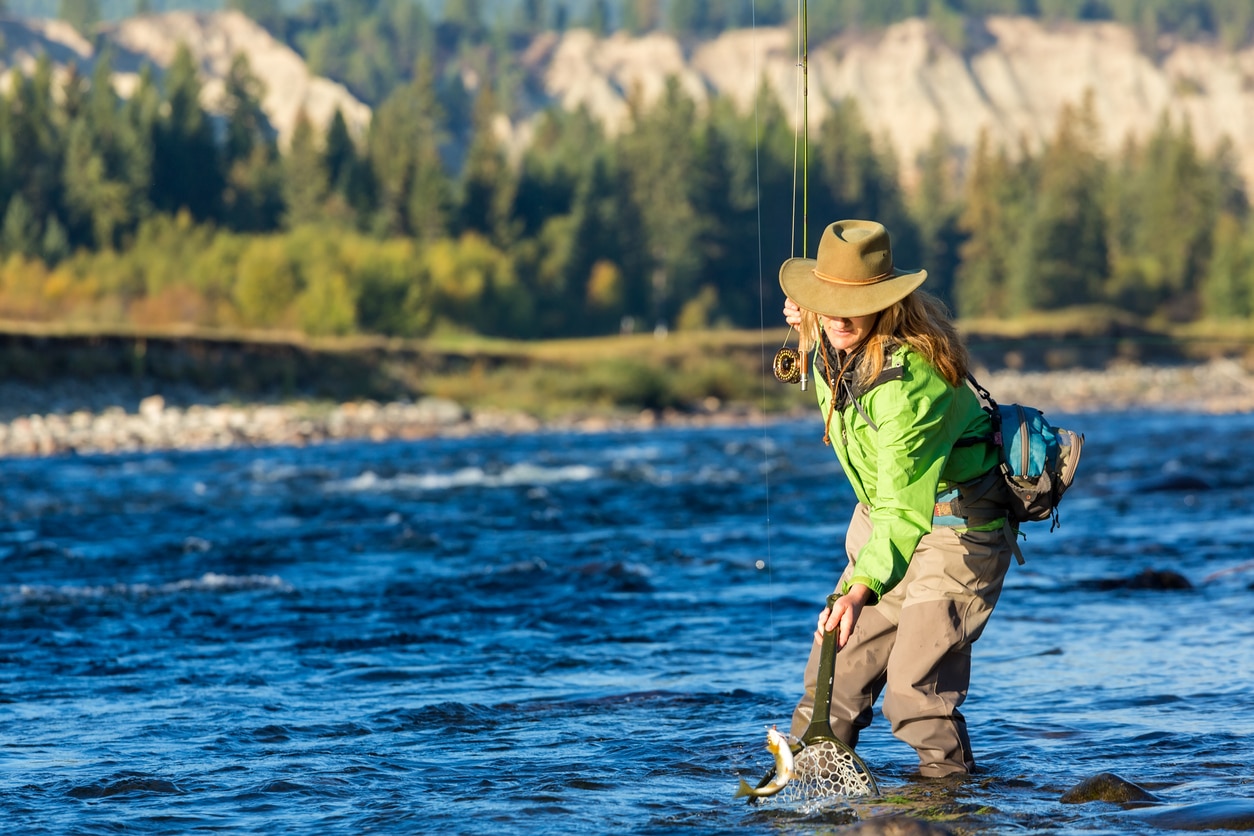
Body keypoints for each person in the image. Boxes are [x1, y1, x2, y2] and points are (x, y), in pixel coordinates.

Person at [779, 219, 1015, 778]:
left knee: (914, 697)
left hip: (956, 530)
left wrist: (860, 589)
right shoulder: (832, 341)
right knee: (829, 685)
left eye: (852, 303)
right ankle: (807, 807)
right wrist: (810, 319)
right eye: (826, 299)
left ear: (886, 304)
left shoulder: (912, 386)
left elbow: (905, 509)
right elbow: (887, 508)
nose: (837, 315)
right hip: (882, 522)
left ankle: (947, 806)